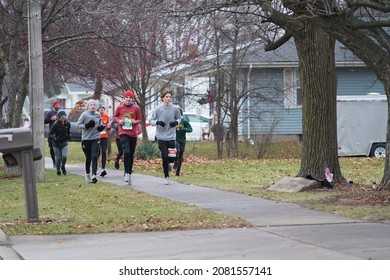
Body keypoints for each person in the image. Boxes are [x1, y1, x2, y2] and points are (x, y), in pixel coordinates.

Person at [149, 91, 181, 185]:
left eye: (169, 97)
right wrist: (157, 122)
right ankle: (166, 176)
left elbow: (179, 118)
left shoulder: (175, 109)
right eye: (166, 97)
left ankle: (170, 163)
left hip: (171, 136)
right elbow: (151, 120)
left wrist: (176, 123)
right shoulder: (158, 109)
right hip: (161, 136)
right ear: (162, 98)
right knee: (164, 156)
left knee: (171, 157)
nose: (168, 98)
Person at [113, 90, 142, 185]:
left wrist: (135, 121)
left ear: (132, 98)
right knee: (127, 152)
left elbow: (140, 119)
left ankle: (129, 174)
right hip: (123, 132)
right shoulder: (120, 107)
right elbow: (115, 116)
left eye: (130, 97)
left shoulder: (136, 108)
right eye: (127, 97)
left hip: (132, 134)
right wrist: (119, 121)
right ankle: (126, 173)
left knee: (131, 154)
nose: (128, 99)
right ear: (124, 98)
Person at [77, 99, 104, 184]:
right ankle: (87, 173)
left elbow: (99, 124)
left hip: (95, 138)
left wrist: (101, 127)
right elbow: (78, 125)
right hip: (86, 139)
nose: (93, 106)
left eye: (94, 105)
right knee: (88, 157)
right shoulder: (84, 114)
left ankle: (94, 176)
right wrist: (87, 125)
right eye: (91, 105)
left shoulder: (98, 114)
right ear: (88, 106)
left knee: (94, 156)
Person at [48, 110, 71, 176]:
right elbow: (50, 134)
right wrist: (54, 138)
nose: (63, 117)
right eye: (62, 116)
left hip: (64, 143)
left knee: (64, 156)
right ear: (59, 117)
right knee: (58, 158)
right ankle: (58, 171)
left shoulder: (68, 123)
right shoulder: (56, 124)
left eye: (64, 116)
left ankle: (62, 166)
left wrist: (69, 136)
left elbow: (68, 132)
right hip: (56, 143)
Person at [173, 107, 192, 176]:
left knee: (180, 156)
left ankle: (178, 172)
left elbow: (190, 129)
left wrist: (184, 129)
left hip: (182, 140)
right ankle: (175, 162)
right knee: (177, 150)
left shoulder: (184, 121)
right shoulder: (173, 121)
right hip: (174, 139)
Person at [44, 100, 62, 168]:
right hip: (52, 134)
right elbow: (44, 121)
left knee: (60, 148)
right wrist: (51, 119)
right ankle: (54, 161)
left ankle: (59, 161)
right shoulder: (50, 113)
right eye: (56, 105)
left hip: (60, 134)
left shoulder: (61, 113)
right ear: (54, 106)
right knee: (52, 148)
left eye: (59, 105)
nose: (58, 106)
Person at [97, 102, 111, 177]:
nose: (101, 109)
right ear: (98, 109)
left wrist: (109, 127)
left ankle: (103, 169)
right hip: (96, 137)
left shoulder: (106, 116)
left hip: (104, 136)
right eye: (100, 108)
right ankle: (96, 168)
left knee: (104, 152)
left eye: (102, 108)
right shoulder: (96, 116)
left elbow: (109, 125)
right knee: (97, 152)